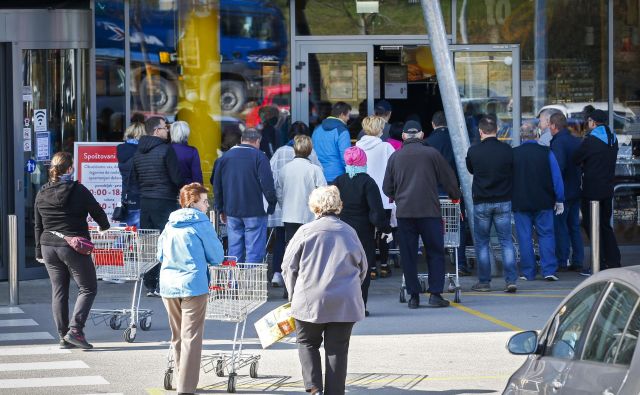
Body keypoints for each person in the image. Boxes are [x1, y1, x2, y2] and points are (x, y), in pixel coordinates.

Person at [282, 186, 367, 395]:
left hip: (309, 299)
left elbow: (288, 267)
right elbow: (363, 267)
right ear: (338, 205)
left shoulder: (305, 231)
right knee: (337, 349)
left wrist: (294, 295)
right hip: (344, 301)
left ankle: (313, 389)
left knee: (307, 343)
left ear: (315, 206)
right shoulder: (349, 231)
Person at [34, 152, 110, 349]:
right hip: (73, 246)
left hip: (48, 246)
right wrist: (104, 226)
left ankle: (63, 336)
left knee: (59, 291)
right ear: (69, 169)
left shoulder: (42, 192)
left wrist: (38, 251)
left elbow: (37, 225)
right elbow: (98, 212)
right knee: (88, 287)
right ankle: (75, 330)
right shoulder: (78, 190)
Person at [382, 120, 461, 309]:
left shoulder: (395, 157)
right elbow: (449, 179)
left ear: (403, 137)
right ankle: (435, 294)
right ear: (421, 135)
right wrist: (455, 196)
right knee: (435, 252)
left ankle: (413, 297)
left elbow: (387, 187)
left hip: (405, 214)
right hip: (429, 212)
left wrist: (398, 196)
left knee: (408, 255)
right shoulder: (432, 154)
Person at [158, 183, 224, 395]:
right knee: (191, 338)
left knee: (177, 336)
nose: (207, 205)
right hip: (193, 285)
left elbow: (160, 255)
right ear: (193, 202)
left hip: (168, 285)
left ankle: (181, 379)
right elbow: (217, 257)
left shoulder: (170, 224)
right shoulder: (202, 224)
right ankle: (185, 388)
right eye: (205, 201)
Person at [334, 146, 390, 316]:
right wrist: (385, 228)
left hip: (341, 232)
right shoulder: (368, 182)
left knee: (341, 270)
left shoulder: (338, 181)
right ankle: (359, 306)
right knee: (362, 270)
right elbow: (376, 212)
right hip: (363, 232)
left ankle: (341, 306)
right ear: (363, 161)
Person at [133, 116, 185, 296]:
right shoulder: (166, 150)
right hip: (165, 201)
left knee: (149, 243)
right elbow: (177, 178)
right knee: (168, 243)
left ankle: (149, 283)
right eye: (165, 127)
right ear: (156, 131)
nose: (167, 130)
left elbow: (134, 178)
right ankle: (165, 282)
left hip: (145, 201)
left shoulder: (138, 152)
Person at [465, 115, 517, 293]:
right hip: (503, 200)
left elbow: (470, 169)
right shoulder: (507, 150)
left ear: (480, 131)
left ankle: (485, 282)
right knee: (505, 241)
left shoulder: (473, 151)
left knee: (482, 243)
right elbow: (513, 170)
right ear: (497, 131)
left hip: (482, 201)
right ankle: (510, 280)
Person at [269, 122, 320, 288]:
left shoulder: (280, 154)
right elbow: (322, 189)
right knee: (307, 246)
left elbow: (275, 183)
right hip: (308, 212)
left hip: (286, 211)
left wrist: (283, 205)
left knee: (284, 243)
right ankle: (306, 278)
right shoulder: (312, 158)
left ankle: (280, 274)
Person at [213, 128, 277, 263]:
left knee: (234, 250)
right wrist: (271, 205)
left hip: (232, 210)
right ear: (258, 141)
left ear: (242, 140)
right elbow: (268, 185)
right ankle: (251, 283)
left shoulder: (224, 158)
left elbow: (216, 186)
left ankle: (233, 282)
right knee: (254, 251)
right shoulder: (260, 157)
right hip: (255, 210)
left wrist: (220, 209)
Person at [512, 123, 565, 282]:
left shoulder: (514, 154)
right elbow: (557, 178)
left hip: (521, 202)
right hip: (544, 201)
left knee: (524, 237)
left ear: (522, 136)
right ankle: (548, 270)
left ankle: (528, 272)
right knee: (546, 234)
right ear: (537, 135)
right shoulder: (547, 152)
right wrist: (560, 199)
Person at [573, 109, 621, 272]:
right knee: (605, 225)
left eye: (588, 121)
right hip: (608, 188)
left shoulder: (591, 140)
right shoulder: (613, 139)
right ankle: (613, 260)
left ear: (593, 122)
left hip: (591, 190)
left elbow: (576, 158)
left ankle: (597, 263)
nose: (587, 124)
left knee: (591, 225)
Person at [425, 111, 472, 276]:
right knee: (457, 228)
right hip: (453, 192)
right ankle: (461, 263)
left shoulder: (427, 143)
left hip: (433, 192)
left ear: (433, 124)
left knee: (431, 228)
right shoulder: (457, 141)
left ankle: (434, 263)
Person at [355, 115, 395, 278]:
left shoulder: (357, 147)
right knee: (384, 232)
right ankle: (384, 265)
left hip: (363, 196)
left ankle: (370, 267)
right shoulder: (386, 147)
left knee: (367, 234)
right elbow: (394, 170)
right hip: (384, 197)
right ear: (379, 129)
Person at [549, 112, 584, 272]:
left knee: (561, 227)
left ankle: (562, 260)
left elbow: (558, 168)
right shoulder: (574, 140)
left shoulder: (558, 143)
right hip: (575, 190)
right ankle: (578, 260)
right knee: (574, 227)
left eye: (550, 125)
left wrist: (556, 192)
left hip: (563, 192)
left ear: (554, 126)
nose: (549, 128)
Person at [278, 135, 326, 242]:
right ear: (310, 150)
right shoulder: (315, 170)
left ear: (294, 149)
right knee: (309, 248)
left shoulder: (284, 169)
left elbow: (279, 194)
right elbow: (323, 194)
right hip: (309, 215)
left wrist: (285, 206)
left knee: (292, 247)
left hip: (289, 215)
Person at [312, 101, 352, 183]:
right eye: (348, 115)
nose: (349, 118)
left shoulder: (317, 129)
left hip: (319, 176)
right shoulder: (342, 131)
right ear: (341, 115)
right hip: (337, 176)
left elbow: (312, 153)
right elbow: (346, 158)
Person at [116, 121, 144, 228]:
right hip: (139, 195)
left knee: (124, 231)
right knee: (139, 234)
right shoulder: (140, 152)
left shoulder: (121, 149)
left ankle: (117, 245)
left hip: (126, 196)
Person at [171, 121, 203, 185]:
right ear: (187, 133)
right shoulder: (192, 151)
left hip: (168, 190)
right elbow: (197, 176)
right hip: (187, 190)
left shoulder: (165, 149)